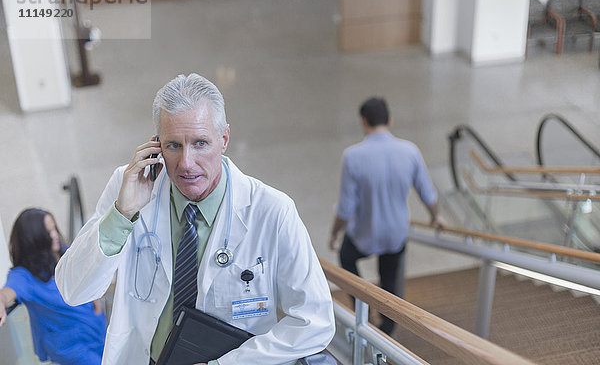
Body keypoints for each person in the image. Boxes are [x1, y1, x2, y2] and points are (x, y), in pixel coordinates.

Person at [55, 74, 335, 365]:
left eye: (200, 143)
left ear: (224, 139)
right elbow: (73, 291)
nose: (186, 163)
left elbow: (314, 322)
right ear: (156, 145)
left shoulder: (272, 211)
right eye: (173, 145)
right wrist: (122, 215)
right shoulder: (127, 188)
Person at [329, 97, 442, 334]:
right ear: (390, 119)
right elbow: (428, 194)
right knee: (390, 280)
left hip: (364, 234)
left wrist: (334, 234)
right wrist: (436, 217)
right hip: (395, 234)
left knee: (347, 258)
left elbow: (346, 209)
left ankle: (363, 308)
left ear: (364, 122)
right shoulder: (410, 151)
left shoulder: (352, 156)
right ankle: (387, 331)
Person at [0, 208, 106, 365]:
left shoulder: (65, 253)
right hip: (73, 349)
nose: (55, 235)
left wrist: (96, 298)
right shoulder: (24, 275)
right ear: (34, 239)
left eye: (54, 229)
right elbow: (7, 293)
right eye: (48, 232)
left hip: (95, 330)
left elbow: (89, 275)